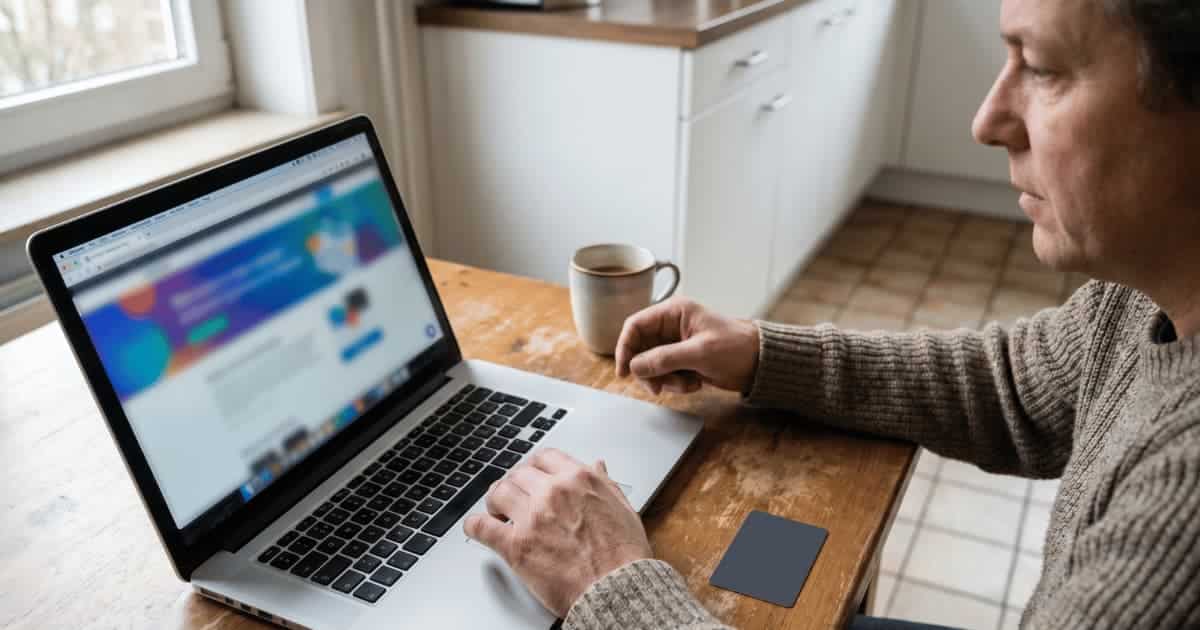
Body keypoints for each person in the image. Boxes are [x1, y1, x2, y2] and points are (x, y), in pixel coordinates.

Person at [462, 0, 1200, 628]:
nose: (988, 119)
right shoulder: (1143, 297)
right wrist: (760, 353)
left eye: (1039, 67)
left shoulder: (1182, 512)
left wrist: (607, 586)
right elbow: (1008, 384)